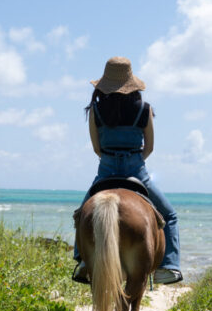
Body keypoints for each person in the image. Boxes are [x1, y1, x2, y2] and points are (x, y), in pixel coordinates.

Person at [73, 56, 183, 284]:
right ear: (131, 83)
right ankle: (169, 266)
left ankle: (82, 260)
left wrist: (112, 159)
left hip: (106, 170)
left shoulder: (96, 110)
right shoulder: (145, 109)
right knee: (169, 215)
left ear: (105, 84)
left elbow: (97, 148)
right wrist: (134, 160)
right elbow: (149, 147)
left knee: (81, 214)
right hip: (137, 170)